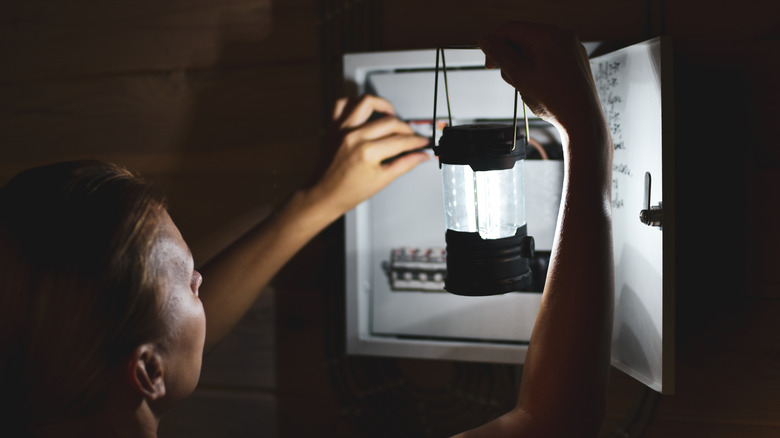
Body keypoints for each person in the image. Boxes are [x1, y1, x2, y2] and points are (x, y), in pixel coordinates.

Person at [0, 21, 613, 438]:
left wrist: (314, 203)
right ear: (147, 372)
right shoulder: (135, 361)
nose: (204, 283)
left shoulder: (72, 385)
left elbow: (163, 332)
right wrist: (586, 140)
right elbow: (550, 427)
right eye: (191, 283)